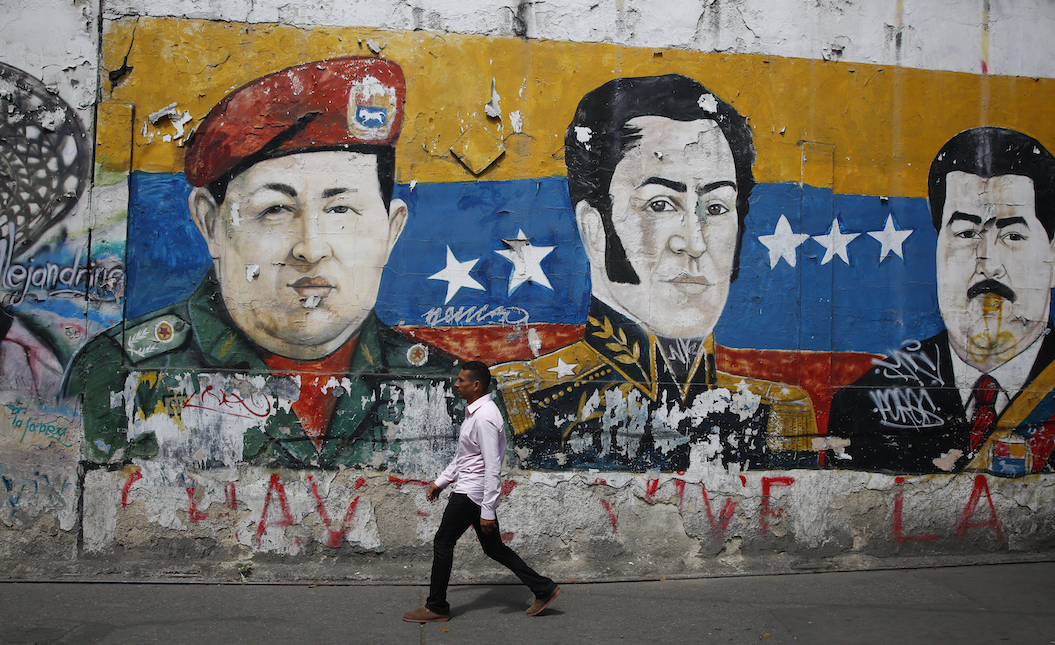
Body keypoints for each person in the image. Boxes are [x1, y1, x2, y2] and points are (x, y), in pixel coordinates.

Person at [63, 57, 458, 469]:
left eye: (341, 209)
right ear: (211, 223)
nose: (311, 248)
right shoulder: (121, 372)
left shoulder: (450, 390)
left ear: (391, 231)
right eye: (275, 210)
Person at [492, 74, 817, 472]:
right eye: (661, 204)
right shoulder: (526, 398)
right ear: (595, 229)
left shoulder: (776, 412)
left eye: (716, 208)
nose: (694, 243)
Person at [828, 127, 1055, 475]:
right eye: (967, 234)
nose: (988, 264)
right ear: (938, 247)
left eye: (1012, 235)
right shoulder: (865, 403)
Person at [404, 361, 561, 623]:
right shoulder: (476, 413)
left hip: (472, 494)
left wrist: (488, 509)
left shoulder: (486, 416)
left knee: (443, 542)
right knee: (494, 548)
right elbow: (464, 457)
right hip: (473, 491)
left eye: (461, 380)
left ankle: (437, 607)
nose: (456, 384)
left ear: (476, 385)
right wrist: (441, 482)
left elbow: (492, 467)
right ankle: (543, 588)